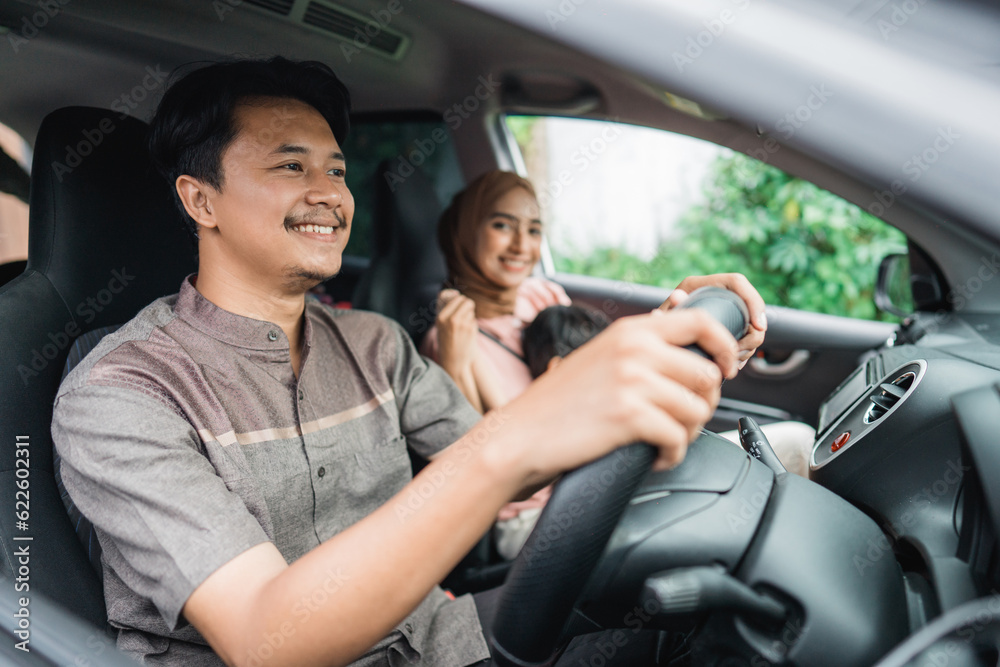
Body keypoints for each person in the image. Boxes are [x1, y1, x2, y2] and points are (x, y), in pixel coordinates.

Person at [51, 57, 761, 667]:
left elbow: (508, 459)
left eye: (336, 168)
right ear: (200, 198)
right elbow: (268, 637)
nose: (331, 192)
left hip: (438, 641)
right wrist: (518, 434)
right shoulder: (120, 394)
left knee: (712, 620)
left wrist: (652, 358)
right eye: (290, 165)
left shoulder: (376, 344)